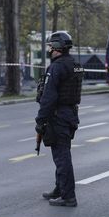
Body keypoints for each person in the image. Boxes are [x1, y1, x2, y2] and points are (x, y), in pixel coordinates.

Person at [35, 31, 83, 207]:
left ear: (56, 47)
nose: (49, 50)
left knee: (61, 157)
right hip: (70, 115)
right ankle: (60, 188)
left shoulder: (56, 67)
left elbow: (49, 97)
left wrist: (40, 120)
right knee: (62, 153)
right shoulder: (76, 65)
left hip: (59, 116)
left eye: (50, 46)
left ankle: (68, 196)